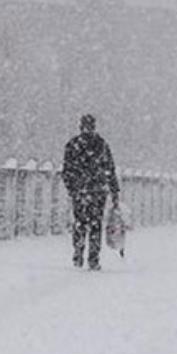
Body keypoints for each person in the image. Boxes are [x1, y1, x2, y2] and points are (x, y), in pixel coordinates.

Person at [62, 114, 121, 270]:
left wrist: (72, 188)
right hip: (97, 191)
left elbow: (67, 170)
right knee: (95, 224)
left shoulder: (73, 145)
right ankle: (93, 258)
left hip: (81, 191)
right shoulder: (101, 145)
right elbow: (110, 169)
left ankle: (78, 252)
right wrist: (114, 192)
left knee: (80, 222)